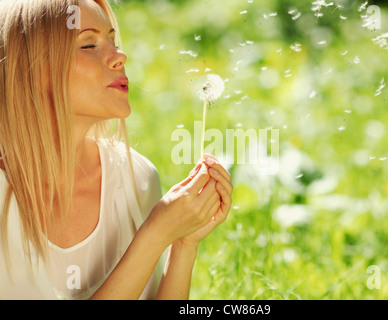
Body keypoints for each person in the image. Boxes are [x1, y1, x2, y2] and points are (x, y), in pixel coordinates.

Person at [0, 0, 232, 300]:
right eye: (88, 45)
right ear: (31, 70)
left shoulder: (136, 177)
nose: (119, 56)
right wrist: (155, 234)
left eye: (112, 40)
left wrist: (183, 244)